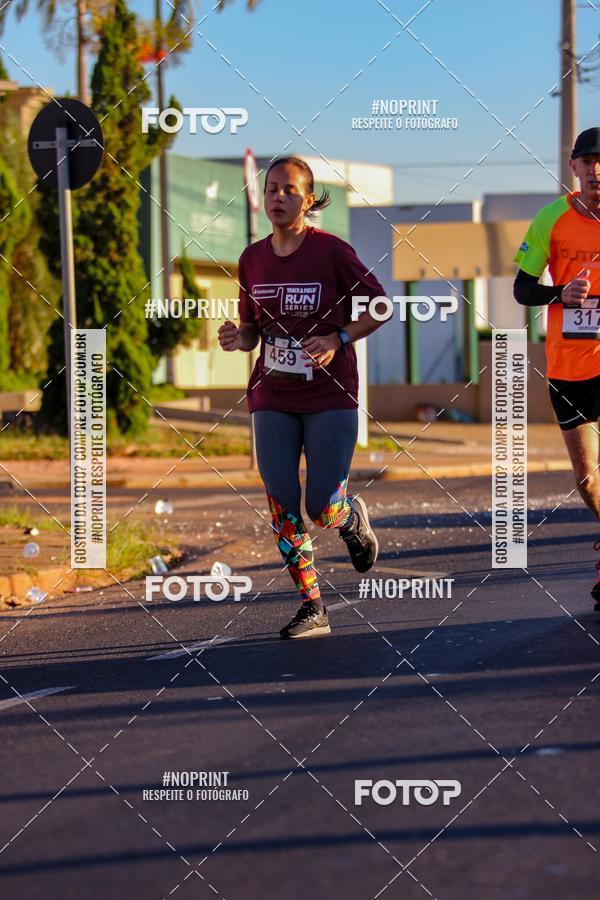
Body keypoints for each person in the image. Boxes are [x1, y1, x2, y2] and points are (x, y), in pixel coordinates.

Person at [218, 156, 387, 638]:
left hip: (330, 393)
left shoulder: (331, 251)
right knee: (281, 498)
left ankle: (349, 518)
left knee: (321, 507)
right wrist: (237, 337)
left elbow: (380, 306)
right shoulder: (252, 258)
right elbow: (252, 329)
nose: (278, 197)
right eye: (271, 188)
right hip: (272, 392)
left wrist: (338, 338)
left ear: (308, 199)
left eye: (289, 190)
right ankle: (312, 606)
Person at [513, 127, 600, 610]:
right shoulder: (551, 219)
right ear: (574, 167)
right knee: (588, 479)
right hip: (568, 364)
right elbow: (522, 288)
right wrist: (559, 294)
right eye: (587, 161)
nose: (596, 170)